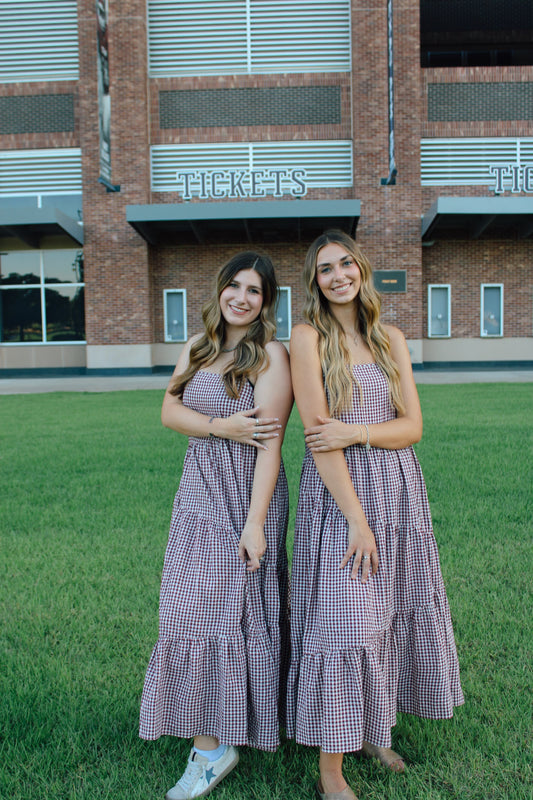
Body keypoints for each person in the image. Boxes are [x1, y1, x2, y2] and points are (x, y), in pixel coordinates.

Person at [286, 230, 464, 800]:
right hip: (341, 500)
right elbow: (319, 437)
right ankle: (329, 770)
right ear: (315, 282)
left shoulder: (391, 338)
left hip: (399, 491)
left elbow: (413, 427)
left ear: (360, 268)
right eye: (324, 269)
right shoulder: (307, 337)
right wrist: (356, 521)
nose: (338, 276)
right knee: (346, 622)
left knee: (387, 615)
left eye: (345, 264)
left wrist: (360, 430)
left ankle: (370, 730)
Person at [140, 251, 293, 800]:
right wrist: (218, 425)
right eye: (234, 286)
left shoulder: (272, 355)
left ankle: (212, 747)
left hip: (246, 498)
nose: (242, 298)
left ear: (266, 301)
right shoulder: (199, 346)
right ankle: (218, 735)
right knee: (185, 608)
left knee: (230, 610)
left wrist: (255, 525)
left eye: (254, 290)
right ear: (220, 290)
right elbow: (168, 411)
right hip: (198, 494)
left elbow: (271, 446)